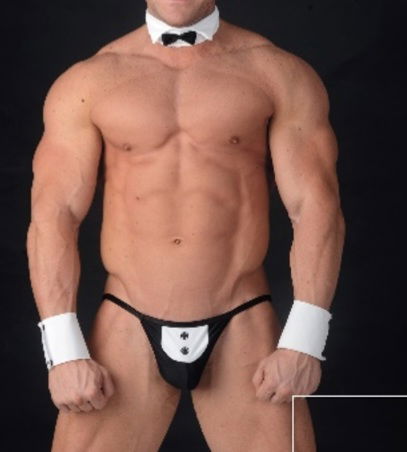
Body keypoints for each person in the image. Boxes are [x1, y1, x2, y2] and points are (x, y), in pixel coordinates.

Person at [26, 0, 345, 450]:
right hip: (126, 322)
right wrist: (62, 351)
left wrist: (305, 341)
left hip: (242, 319)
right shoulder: (89, 81)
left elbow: (315, 207)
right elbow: (54, 214)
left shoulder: (276, 73)